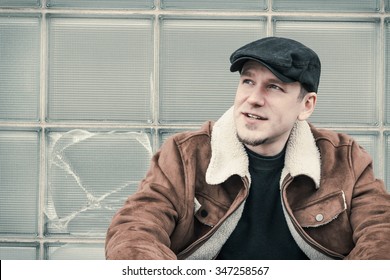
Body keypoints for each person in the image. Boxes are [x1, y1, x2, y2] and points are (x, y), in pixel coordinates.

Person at [105, 37, 390, 260]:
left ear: (306, 105)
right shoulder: (185, 154)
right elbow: (135, 230)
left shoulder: (346, 159)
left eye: (274, 87)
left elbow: (381, 233)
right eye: (248, 81)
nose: (253, 98)